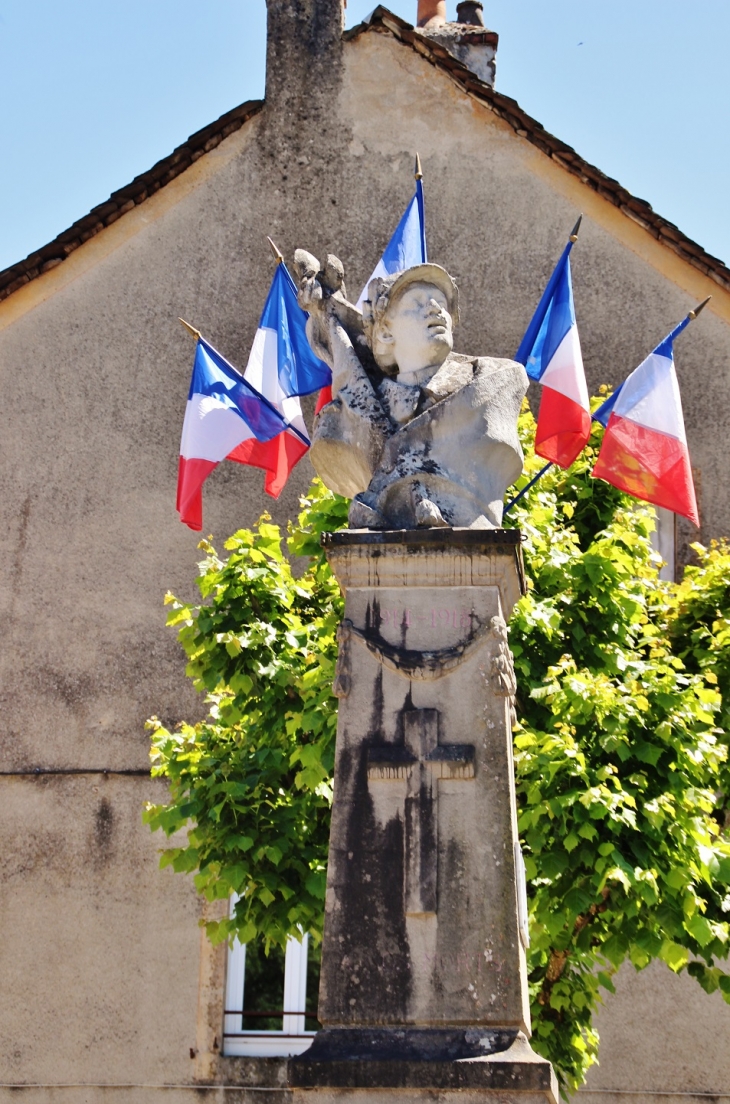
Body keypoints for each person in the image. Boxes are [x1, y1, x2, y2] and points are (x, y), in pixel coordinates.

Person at [294, 250, 527, 530]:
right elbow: (345, 353)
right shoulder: (356, 406)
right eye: (417, 302)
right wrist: (326, 312)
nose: (435, 309)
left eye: (442, 303)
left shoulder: (493, 382)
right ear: (384, 333)